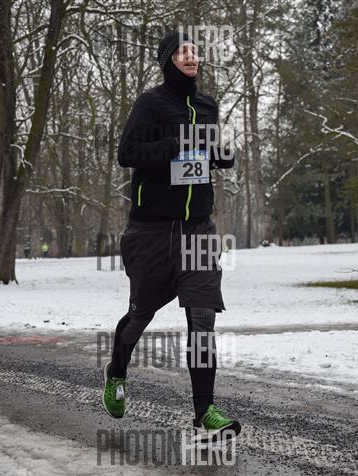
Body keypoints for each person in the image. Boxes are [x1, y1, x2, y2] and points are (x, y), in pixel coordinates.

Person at [102, 32, 239, 442]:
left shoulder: (207, 105)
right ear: (168, 60)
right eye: (183, 52)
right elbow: (127, 154)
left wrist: (221, 153)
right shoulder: (151, 103)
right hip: (152, 231)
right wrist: (173, 144)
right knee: (140, 315)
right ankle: (117, 371)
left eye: (195, 51)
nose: (192, 57)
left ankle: (205, 412)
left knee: (202, 317)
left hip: (198, 228)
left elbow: (210, 154)